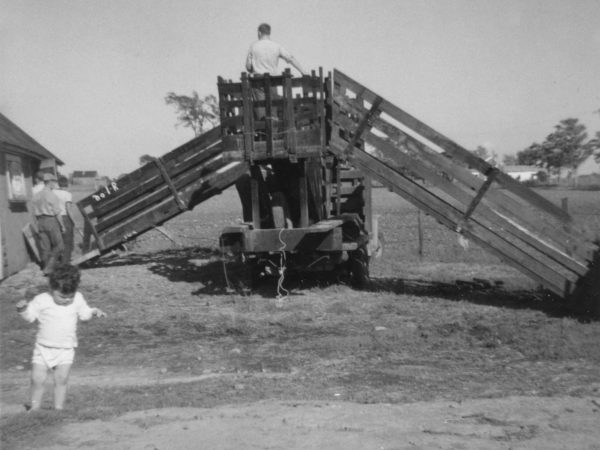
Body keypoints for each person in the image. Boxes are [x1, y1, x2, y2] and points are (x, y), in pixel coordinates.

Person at [16, 264, 107, 411]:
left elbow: (84, 313)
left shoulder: (77, 298)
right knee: (37, 379)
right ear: (51, 289)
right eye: (62, 296)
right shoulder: (42, 300)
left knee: (62, 379)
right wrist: (23, 310)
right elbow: (30, 317)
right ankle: (34, 408)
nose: (66, 300)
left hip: (66, 349)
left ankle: (58, 409)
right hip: (43, 348)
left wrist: (94, 311)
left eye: (70, 296)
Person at [32, 173, 65, 275]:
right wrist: (62, 226)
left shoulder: (36, 195)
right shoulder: (52, 195)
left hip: (40, 221)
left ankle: (45, 269)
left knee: (45, 247)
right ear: (50, 182)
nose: (55, 184)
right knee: (59, 246)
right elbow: (57, 213)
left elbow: (33, 211)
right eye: (54, 182)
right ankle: (50, 268)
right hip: (51, 220)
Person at [54, 176, 75, 263]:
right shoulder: (67, 194)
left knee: (57, 241)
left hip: (55, 217)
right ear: (67, 184)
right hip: (65, 217)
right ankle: (65, 262)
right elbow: (68, 209)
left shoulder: (53, 192)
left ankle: (57, 261)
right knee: (68, 241)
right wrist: (74, 221)